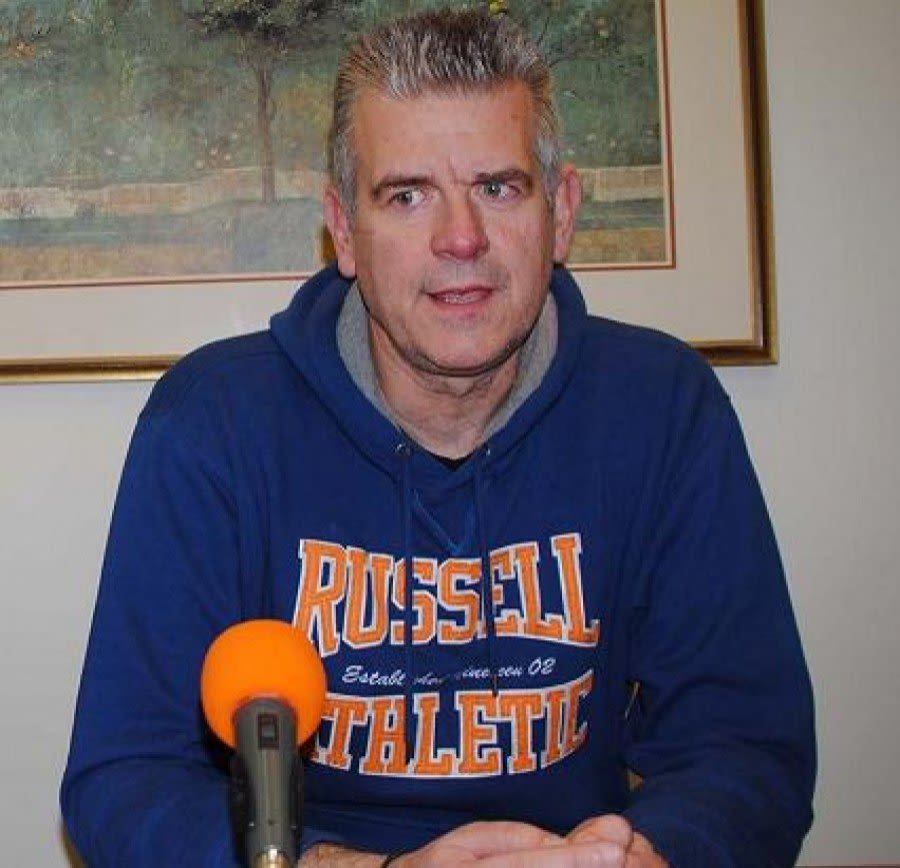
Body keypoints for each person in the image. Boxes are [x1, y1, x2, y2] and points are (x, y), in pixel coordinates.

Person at [61, 9, 815, 867]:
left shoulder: (663, 407)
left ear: (562, 212)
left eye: (498, 188)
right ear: (343, 230)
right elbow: (123, 780)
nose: (461, 238)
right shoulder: (212, 424)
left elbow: (746, 747)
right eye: (407, 195)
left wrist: (643, 856)